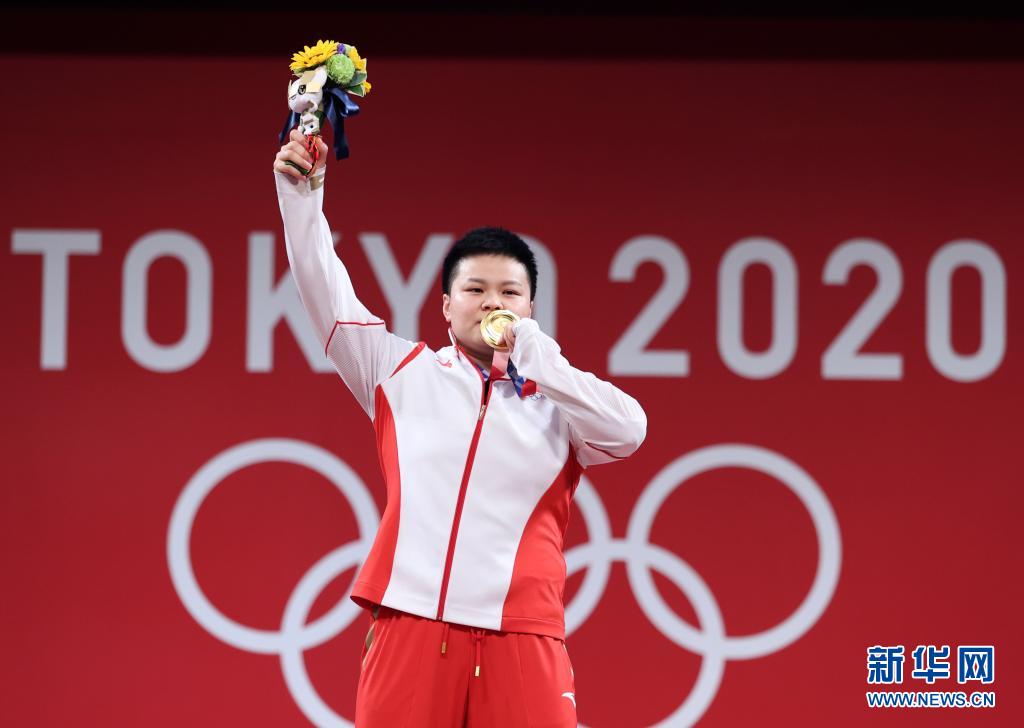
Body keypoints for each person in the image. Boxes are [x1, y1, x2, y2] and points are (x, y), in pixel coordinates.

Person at [274, 129, 647, 727]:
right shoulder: (396, 371)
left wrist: (542, 362)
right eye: (473, 289)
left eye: (509, 292)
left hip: (523, 636)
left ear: (531, 310)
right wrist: (301, 196)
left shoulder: (561, 404)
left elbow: (630, 431)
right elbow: (324, 287)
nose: (490, 302)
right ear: (447, 306)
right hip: (411, 627)